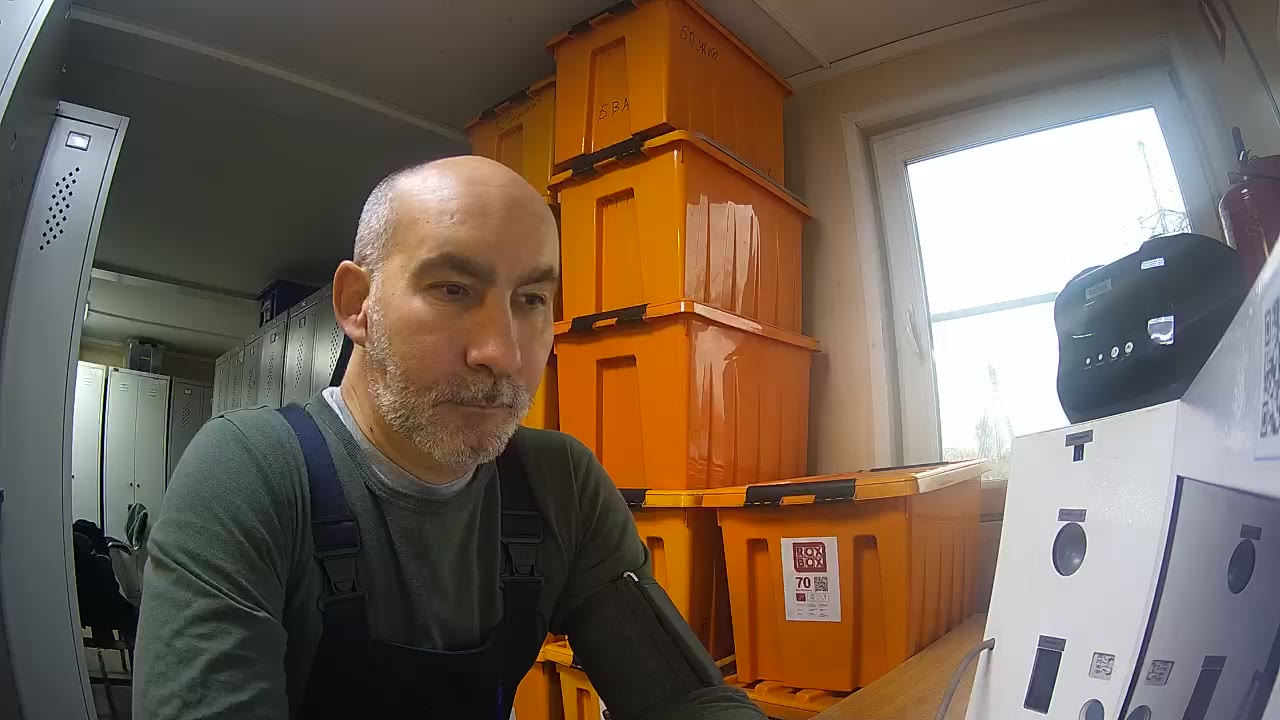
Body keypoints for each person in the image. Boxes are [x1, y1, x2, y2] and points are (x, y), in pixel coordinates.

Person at [133, 156, 765, 719]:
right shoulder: (251, 474)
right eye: (453, 289)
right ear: (357, 304)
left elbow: (682, 700)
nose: (502, 353)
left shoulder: (559, 486)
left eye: (531, 299)